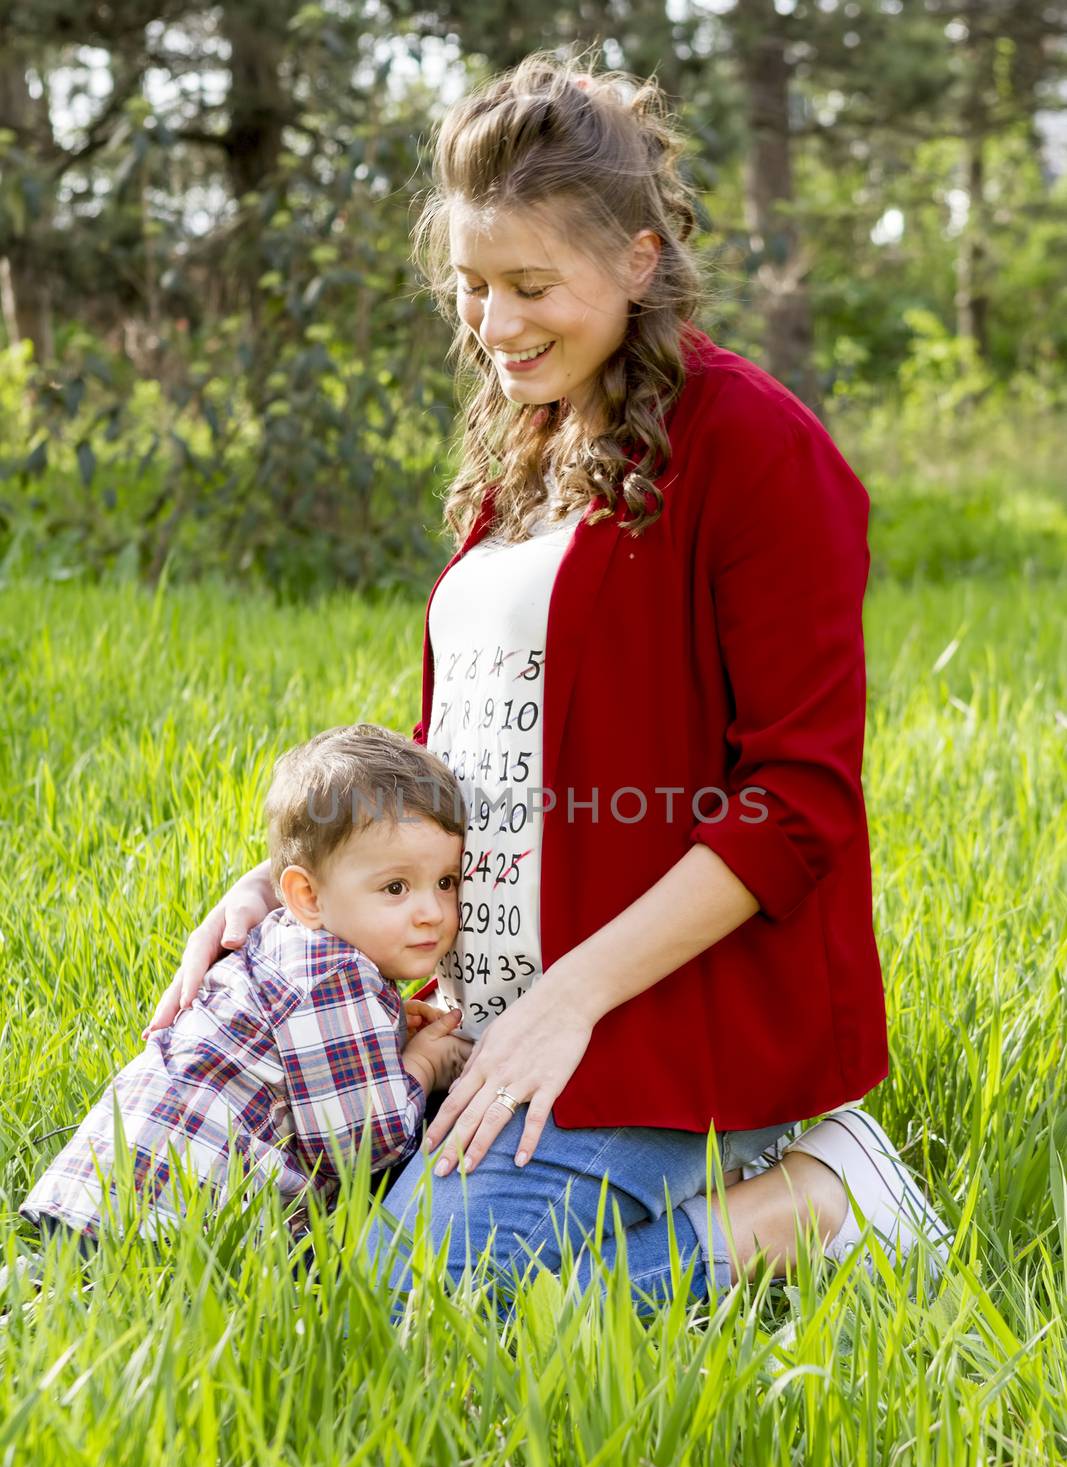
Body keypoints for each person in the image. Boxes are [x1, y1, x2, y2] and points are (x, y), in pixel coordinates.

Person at [146, 54, 951, 1307]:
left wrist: (565, 1002)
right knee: (257, 1240)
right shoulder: (529, 443)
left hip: (659, 1024)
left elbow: (797, 804)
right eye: (470, 286)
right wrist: (292, 886)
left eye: (530, 286)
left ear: (637, 260)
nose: (494, 325)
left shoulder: (754, 451)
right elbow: (466, 750)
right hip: (483, 1017)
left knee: (428, 1304)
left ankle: (825, 1197)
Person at [21, 725, 469, 1250]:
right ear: (306, 896)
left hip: (116, 1185)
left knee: (56, 1294)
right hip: (170, 1216)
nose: (432, 913)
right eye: (396, 887)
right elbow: (363, 1143)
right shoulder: (334, 974)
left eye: (446, 882)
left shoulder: (291, 944)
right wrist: (421, 1064)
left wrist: (387, 1039)